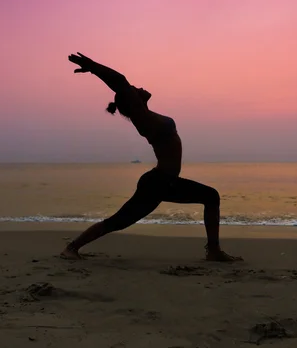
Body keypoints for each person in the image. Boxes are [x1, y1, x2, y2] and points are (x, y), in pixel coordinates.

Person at [60, 53, 242, 262]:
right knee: (121, 221)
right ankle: (214, 251)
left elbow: (127, 90)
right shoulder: (142, 118)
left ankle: (214, 250)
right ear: (132, 102)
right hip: (159, 182)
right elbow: (120, 82)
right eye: (134, 91)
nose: (138, 88)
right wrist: (92, 67)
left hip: (162, 181)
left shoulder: (147, 115)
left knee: (120, 220)